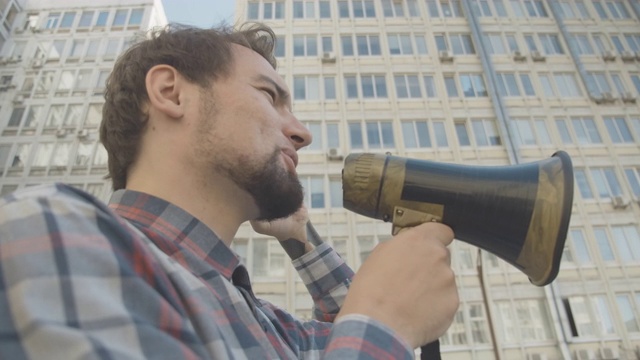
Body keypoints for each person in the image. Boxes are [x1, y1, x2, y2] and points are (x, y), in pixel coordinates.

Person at [0, 24, 458, 359]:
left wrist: (302, 240)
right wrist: (382, 323)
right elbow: (372, 331)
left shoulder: (259, 321)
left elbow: (351, 337)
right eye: (269, 95)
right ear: (171, 93)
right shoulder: (52, 231)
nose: (301, 133)